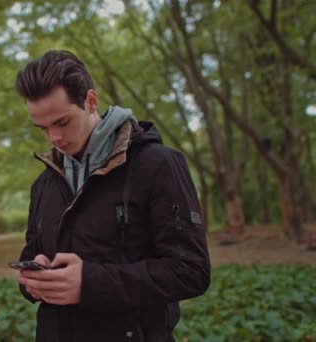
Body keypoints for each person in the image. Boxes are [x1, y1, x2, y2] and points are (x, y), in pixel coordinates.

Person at [14, 50, 210, 341]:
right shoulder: (43, 184)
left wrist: (89, 283)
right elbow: (31, 254)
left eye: (62, 122)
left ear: (91, 101)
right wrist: (33, 278)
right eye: (43, 128)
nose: (54, 138)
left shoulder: (158, 165)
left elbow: (190, 270)